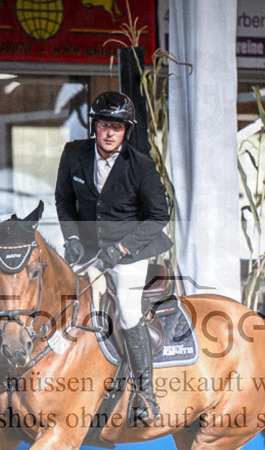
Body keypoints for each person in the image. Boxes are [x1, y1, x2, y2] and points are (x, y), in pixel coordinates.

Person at [54, 91, 172, 426]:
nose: (110, 133)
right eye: (105, 125)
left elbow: (158, 216)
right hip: (89, 249)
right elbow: (64, 200)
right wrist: (72, 238)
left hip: (130, 252)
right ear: (95, 126)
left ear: (125, 131)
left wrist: (120, 250)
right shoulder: (74, 153)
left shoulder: (141, 165)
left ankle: (145, 395)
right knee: (62, 298)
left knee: (128, 311)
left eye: (117, 128)